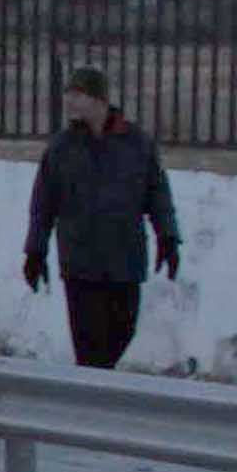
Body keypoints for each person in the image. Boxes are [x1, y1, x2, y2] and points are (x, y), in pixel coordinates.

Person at [23, 65, 181, 371]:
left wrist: (168, 238)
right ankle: (89, 409)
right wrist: (35, 250)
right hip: (80, 264)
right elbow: (43, 204)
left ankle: (94, 400)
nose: (69, 102)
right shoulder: (61, 149)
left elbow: (157, 194)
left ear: (99, 100)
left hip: (125, 262)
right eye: (68, 94)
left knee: (122, 332)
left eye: (77, 95)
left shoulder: (136, 144)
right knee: (89, 348)